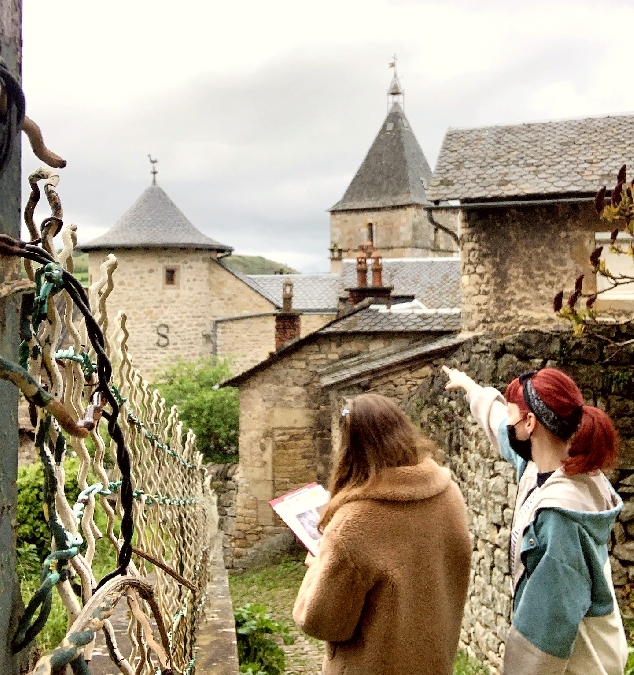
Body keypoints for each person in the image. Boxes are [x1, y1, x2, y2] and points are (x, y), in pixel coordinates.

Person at [442, 365, 628, 675]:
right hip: (599, 648)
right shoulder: (556, 468)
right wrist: (471, 388)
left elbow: (546, 627)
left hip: (580, 664)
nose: (509, 422)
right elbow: (500, 425)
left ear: (530, 423)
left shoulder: (559, 517)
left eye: (514, 414)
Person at [292, 393, 472, 675]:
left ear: (350, 448)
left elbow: (323, 621)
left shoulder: (353, 524)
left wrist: (317, 568)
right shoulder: (449, 495)